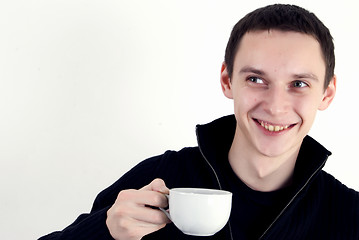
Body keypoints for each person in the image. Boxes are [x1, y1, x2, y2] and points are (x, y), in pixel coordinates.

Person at [39, 4, 359, 240]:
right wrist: (103, 231)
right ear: (227, 80)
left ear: (327, 93)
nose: (276, 107)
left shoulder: (350, 215)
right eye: (256, 79)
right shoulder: (154, 181)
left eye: (299, 84)